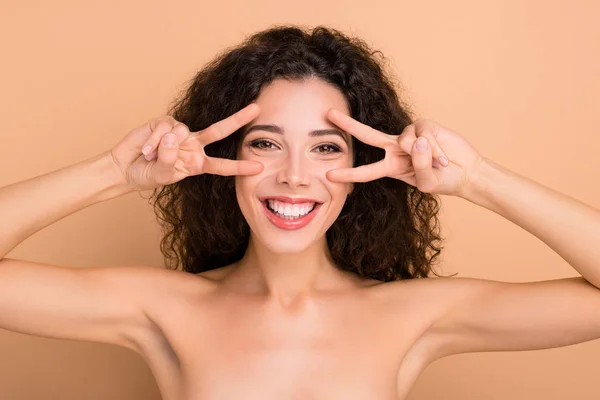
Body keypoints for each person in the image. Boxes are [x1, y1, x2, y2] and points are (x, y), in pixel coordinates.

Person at [1, 24, 599, 400]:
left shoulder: (413, 315)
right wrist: (113, 172)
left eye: (325, 147)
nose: (293, 174)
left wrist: (477, 180)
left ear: (363, 168)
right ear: (223, 157)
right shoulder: (164, 309)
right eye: (264, 142)